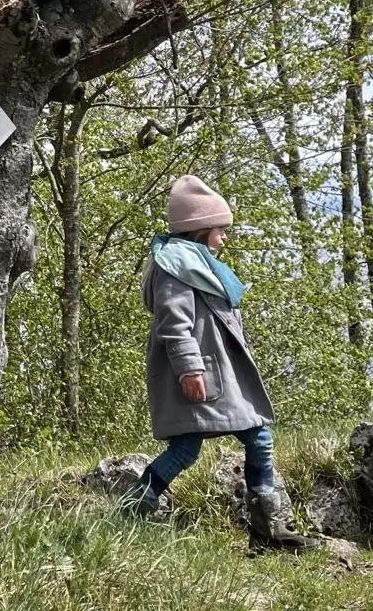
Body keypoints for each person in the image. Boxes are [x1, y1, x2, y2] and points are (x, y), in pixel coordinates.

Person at [126, 175, 311, 551]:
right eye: (220, 229)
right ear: (199, 229)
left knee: (255, 438)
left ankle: (267, 531)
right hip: (201, 372)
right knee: (190, 448)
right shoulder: (175, 266)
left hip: (218, 371)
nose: (224, 237)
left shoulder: (196, 264)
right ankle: (130, 512)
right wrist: (190, 369)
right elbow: (174, 324)